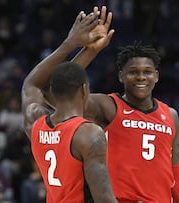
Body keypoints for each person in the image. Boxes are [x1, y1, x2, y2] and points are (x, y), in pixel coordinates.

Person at [38, 5, 179, 203]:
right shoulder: (108, 106)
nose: (140, 77)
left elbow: (176, 176)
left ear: (156, 76)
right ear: (121, 76)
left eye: (147, 71)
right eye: (133, 72)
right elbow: (57, 93)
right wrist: (89, 51)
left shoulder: (170, 115)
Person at [21, 8, 117, 203]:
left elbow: (32, 84)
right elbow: (104, 198)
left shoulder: (35, 123)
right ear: (84, 90)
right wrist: (89, 50)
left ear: (53, 91)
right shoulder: (88, 134)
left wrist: (70, 43)